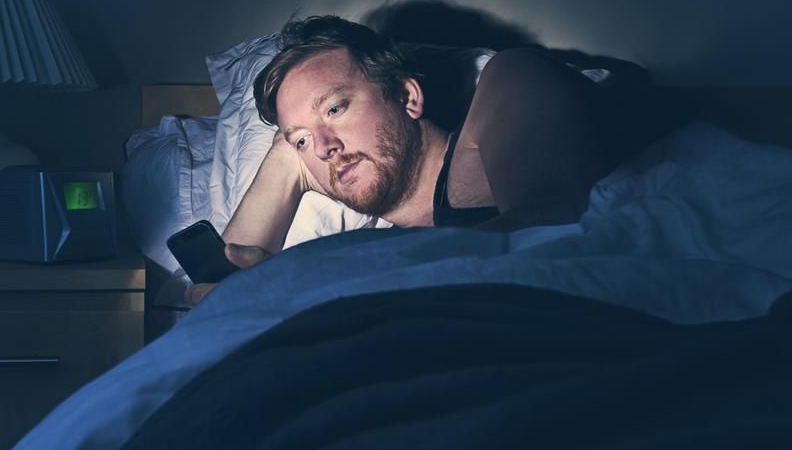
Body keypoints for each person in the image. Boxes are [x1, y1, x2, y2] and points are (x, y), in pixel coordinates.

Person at [189, 15, 635, 303]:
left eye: (335, 108)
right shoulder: (385, 239)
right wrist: (288, 156)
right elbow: (226, 310)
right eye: (304, 140)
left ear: (406, 95)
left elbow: (550, 234)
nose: (324, 147)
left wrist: (311, 278)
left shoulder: (510, 81)